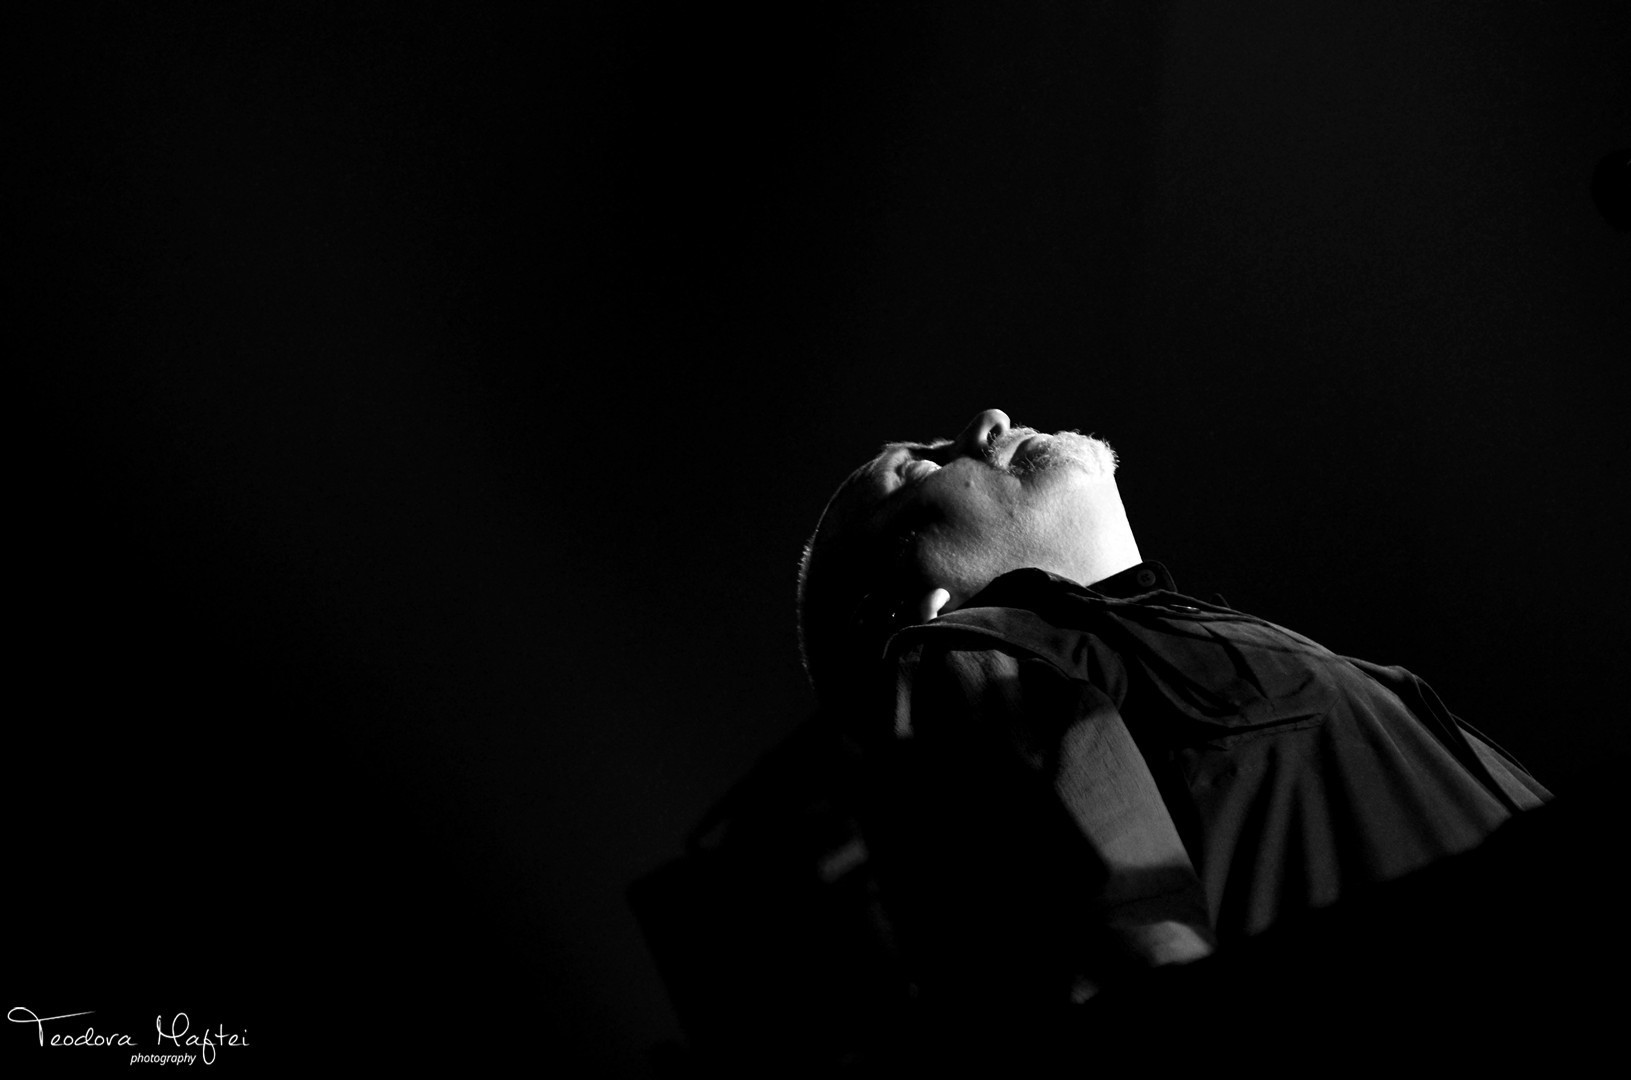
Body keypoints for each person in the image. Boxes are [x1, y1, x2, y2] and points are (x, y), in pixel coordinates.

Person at [796, 408, 1551, 1025]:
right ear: (903, 611)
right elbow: (1129, 970)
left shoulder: (1183, 641)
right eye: (921, 468)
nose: (988, 421)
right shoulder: (961, 659)